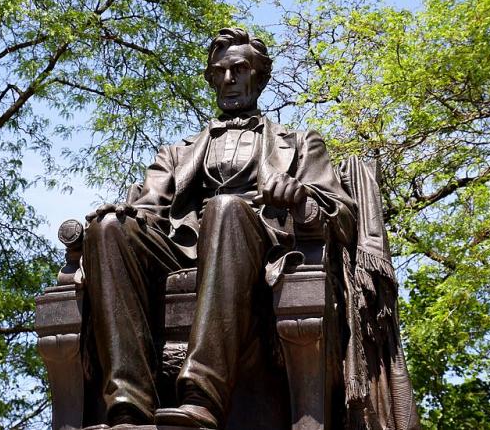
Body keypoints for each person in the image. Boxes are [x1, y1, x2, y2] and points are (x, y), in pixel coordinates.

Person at [81, 27, 356, 429]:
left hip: (261, 244)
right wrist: (122, 213)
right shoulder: (177, 152)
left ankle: (201, 396)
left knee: (227, 209)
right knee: (107, 229)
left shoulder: (299, 143)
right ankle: (128, 406)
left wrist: (298, 197)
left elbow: (342, 215)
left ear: (258, 76)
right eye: (220, 72)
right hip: (185, 245)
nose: (228, 79)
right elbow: (148, 208)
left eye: (239, 70)